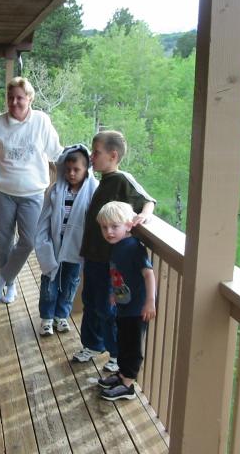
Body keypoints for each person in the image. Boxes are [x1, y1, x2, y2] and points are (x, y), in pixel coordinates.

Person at [0, 76, 62, 303]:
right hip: (1, 192)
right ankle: (9, 285)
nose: (14, 102)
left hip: (33, 193)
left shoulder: (41, 121)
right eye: (10, 98)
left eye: (20, 97)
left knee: (29, 240)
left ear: (29, 98)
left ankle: (4, 275)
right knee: (4, 240)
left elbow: (56, 152)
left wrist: (79, 167)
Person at [73, 130, 155, 373]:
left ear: (113, 155)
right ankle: (92, 344)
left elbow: (148, 200)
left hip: (110, 261)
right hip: (93, 256)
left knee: (108, 308)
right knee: (90, 301)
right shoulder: (102, 180)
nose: (91, 157)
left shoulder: (121, 179)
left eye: (96, 152)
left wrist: (144, 215)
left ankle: (115, 353)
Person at [95, 201, 156, 400]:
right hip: (123, 305)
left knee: (132, 345)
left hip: (138, 308)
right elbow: (119, 274)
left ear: (129, 225)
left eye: (115, 226)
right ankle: (121, 375)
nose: (109, 232)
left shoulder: (133, 247)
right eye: (105, 227)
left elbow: (148, 274)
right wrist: (115, 292)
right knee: (122, 340)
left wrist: (150, 301)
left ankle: (128, 384)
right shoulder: (117, 245)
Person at [34, 144, 98, 336]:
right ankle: (47, 317)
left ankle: (61, 315)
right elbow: (44, 218)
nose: (71, 173)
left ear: (86, 169)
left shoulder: (93, 191)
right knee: (49, 280)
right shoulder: (56, 190)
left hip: (76, 247)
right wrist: (42, 243)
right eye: (68, 169)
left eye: (76, 169)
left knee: (70, 282)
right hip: (54, 243)